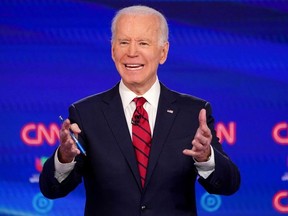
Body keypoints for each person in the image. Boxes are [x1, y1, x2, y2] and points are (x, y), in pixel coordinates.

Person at [39, 5, 240, 216]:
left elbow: (228, 184)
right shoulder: (86, 113)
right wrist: (64, 158)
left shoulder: (192, 113)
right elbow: (52, 189)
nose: (132, 52)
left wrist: (205, 157)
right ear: (113, 50)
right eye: (124, 42)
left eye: (143, 43)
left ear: (163, 52)